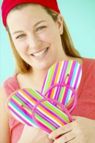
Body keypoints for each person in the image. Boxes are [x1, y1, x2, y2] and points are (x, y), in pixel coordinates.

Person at [0, 0, 95, 143]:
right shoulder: (8, 93)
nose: (34, 43)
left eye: (40, 28)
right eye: (20, 35)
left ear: (59, 24)